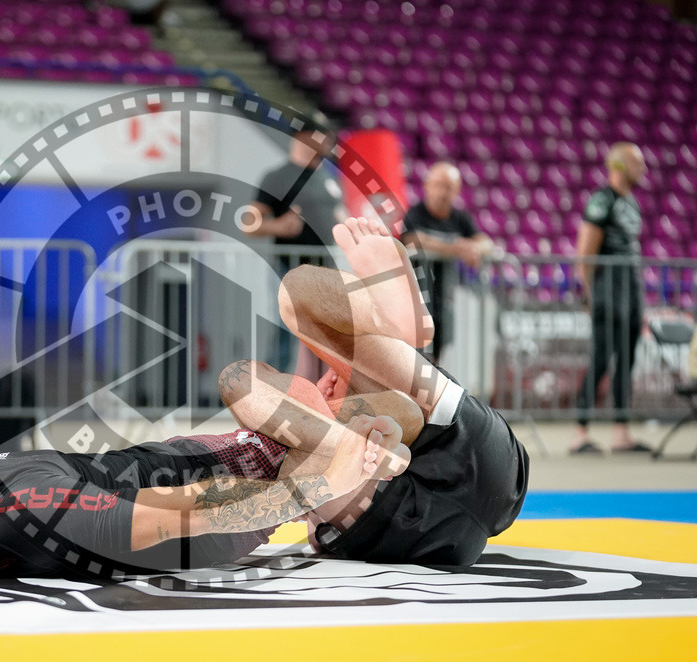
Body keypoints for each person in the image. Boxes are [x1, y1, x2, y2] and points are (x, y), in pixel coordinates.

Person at [0, 217, 527, 578]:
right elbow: (178, 524)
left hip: (419, 466)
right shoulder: (22, 517)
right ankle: (393, 368)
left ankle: (397, 366)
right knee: (246, 385)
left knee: (298, 298)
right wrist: (314, 485)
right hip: (379, 514)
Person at [221, 217, 528, 564]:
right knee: (288, 303)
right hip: (488, 458)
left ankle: (383, 329)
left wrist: (315, 410)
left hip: (377, 502)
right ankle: (384, 326)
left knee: (240, 377)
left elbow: (312, 534)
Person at [245, 112, 347, 382]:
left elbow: (337, 216)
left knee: (326, 334)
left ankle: (320, 392)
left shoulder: (327, 178)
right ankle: (272, 391)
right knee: (286, 330)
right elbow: (249, 222)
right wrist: (278, 226)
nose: (328, 143)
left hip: (324, 269)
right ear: (303, 137)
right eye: (321, 136)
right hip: (289, 269)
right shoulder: (277, 178)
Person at [570, 142, 650, 455]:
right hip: (607, 290)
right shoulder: (602, 201)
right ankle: (580, 433)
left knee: (627, 360)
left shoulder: (631, 203)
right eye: (637, 163)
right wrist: (588, 295)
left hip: (630, 290)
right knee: (602, 358)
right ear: (619, 165)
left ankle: (621, 433)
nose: (643, 169)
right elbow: (586, 252)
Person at [399, 162, 493, 361]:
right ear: (427, 186)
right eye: (438, 185)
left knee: (439, 347)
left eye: (448, 187)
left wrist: (474, 248)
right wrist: (456, 247)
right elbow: (414, 239)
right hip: (415, 295)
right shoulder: (415, 213)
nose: (442, 192)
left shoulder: (460, 218)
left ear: (457, 190)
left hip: (444, 295)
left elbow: (486, 242)